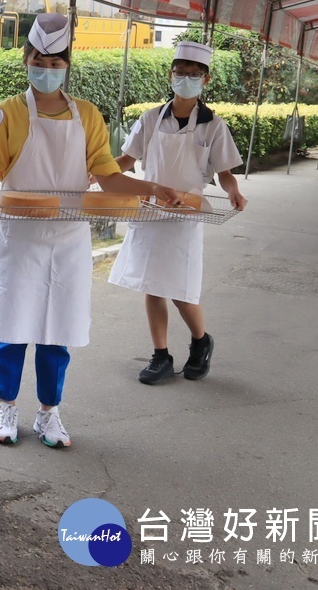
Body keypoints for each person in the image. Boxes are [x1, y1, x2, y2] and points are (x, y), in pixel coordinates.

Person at [0, 13, 179, 449]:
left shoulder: (88, 116)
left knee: (57, 330)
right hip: (20, 236)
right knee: (13, 325)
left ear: (67, 64)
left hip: (68, 240)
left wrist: (152, 187)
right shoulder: (6, 113)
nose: (47, 68)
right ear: (26, 59)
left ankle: (49, 413)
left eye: (56, 61)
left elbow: (108, 176)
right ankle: (5, 406)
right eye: (39, 59)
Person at [108, 41, 247, 385]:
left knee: (182, 289)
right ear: (171, 75)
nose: (186, 79)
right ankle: (160, 355)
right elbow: (126, 160)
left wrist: (234, 192)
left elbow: (225, 171)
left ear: (206, 80)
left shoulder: (213, 125)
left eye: (194, 75)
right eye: (181, 73)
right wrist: (98, 171)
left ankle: (201, 341)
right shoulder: (151, 119)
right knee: (153, 287)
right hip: (150, 210)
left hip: (187, 213)